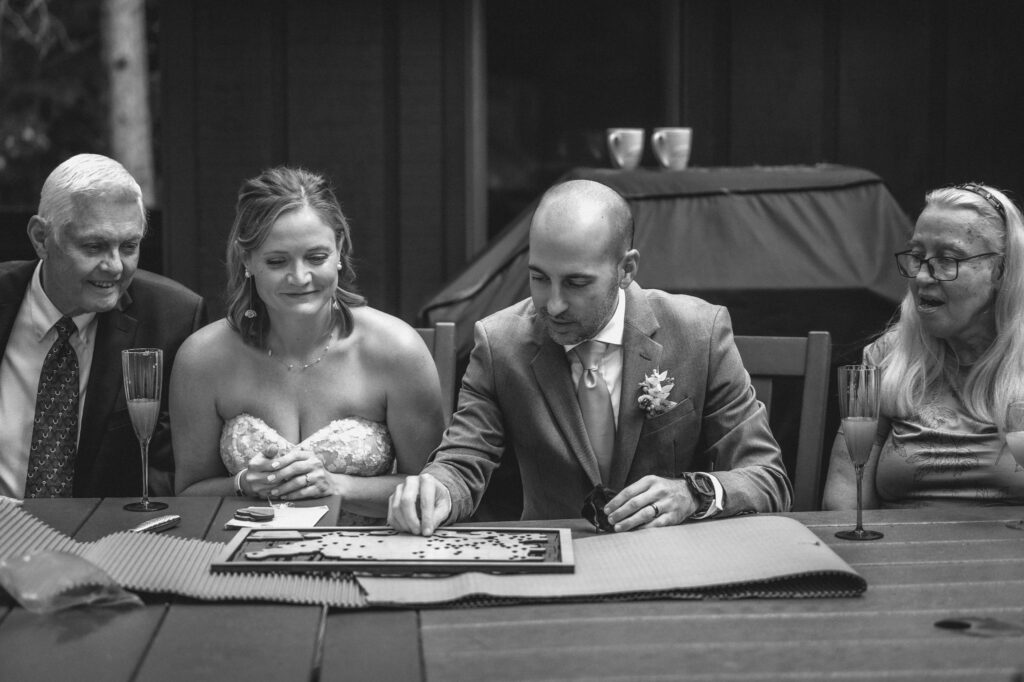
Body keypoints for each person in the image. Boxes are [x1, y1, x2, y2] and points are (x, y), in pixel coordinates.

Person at [389, 179, 791, 535]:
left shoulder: (699, 333)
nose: (554, 305)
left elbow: (768, 478)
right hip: (557, 560)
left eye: (576, 283)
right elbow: (463, 462)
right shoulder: (499, 344)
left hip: (674, 558)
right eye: (539, 278)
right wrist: (435, 490)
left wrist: (691, 493)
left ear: (626, 269)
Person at [171, 166, 444, 524]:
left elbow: (434, 490)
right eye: (277, 261)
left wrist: (339, 486)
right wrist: (242, 484)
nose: (299, 277)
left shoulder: (398, 351)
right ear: (247, 259)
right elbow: (188, 494)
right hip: (242, 549)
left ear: (340, 249)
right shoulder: (202, 358)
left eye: (316, 257)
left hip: (367, 550)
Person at [0, 153, 206, 499]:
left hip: (110, 529)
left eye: (129, 247)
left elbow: (173, 472)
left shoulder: (173, 320)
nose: (115, 267)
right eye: (94, 246)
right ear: (41, 238)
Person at [823, 183, 1024, 509]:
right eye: (917, 256)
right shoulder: (887, 355)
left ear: (1000, 270)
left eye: (947, 259)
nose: (921, 277)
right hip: (898, 543)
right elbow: (845, 492)